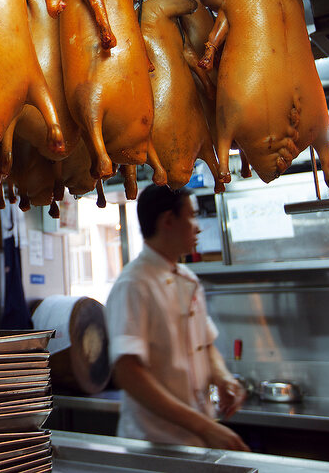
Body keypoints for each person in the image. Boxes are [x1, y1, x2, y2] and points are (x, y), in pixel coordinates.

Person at [105, 185, 249, 450]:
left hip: (196, 441)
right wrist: (205, 427)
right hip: (155, 444)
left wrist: (224, 378)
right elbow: (128, 374)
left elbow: (204, 345)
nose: (198, 226)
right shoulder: (134, 283)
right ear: (168, 221)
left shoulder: (188, 278)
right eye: (192, 216)